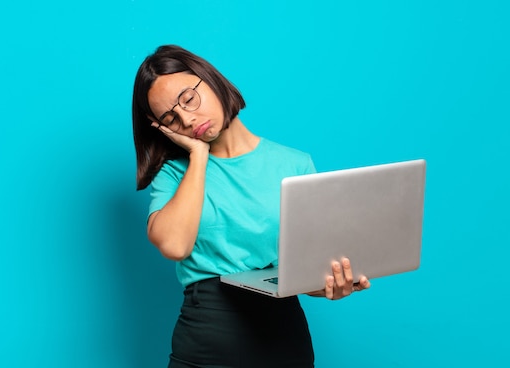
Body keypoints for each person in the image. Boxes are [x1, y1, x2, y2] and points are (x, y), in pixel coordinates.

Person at [132, 45, 371, 368]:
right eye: (171, 119)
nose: (187, 119)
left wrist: (331, 286)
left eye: (188, 99)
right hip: (207, 340)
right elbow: (175, 245)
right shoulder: (175, 175)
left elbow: (305, 269)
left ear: (211, 80)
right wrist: (199, 157)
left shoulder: (294, 164)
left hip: (284, 338)